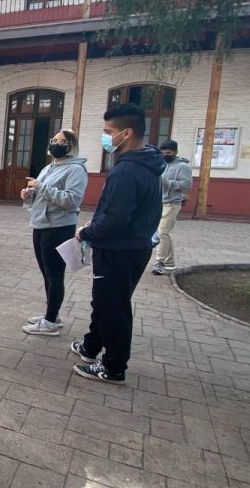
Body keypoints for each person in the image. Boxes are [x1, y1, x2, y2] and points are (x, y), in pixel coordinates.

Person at [72, 103, 165, 384]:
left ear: (126, 133)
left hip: (119, 250)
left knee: (113, 307)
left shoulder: (127, 171)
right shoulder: (147, 162)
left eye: (107, 132)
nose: (105, 137)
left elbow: (115, 221)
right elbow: (123, 212)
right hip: (132, 246)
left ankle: (113, 367)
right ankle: (91, 347)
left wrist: (86, 233)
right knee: (105, 302)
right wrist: (97, 224)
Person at [21, 130, 88, 336]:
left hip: (58, 228)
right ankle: (52, 314)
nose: (55, 144)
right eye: (53, 140)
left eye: (61, 141)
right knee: (46, 274)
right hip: (40, 225)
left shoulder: (76, 170)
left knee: (55, 275)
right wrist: (28, 196)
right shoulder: (48, 168)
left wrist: (40, 187)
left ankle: (50, 323)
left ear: (71, 146)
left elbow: (71, 200)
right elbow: (40, 195)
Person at [152, 139, 191, 275]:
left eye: (168, 153)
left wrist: (169, 183)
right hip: (159, 202)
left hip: (173, 202)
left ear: (175, 152)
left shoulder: (182, 166)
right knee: (164, 233)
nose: (165, 155)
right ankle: (170, 262)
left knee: (162, 233)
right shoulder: (161, 164)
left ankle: (159, 262)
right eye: (163, 153)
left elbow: (187, 184)